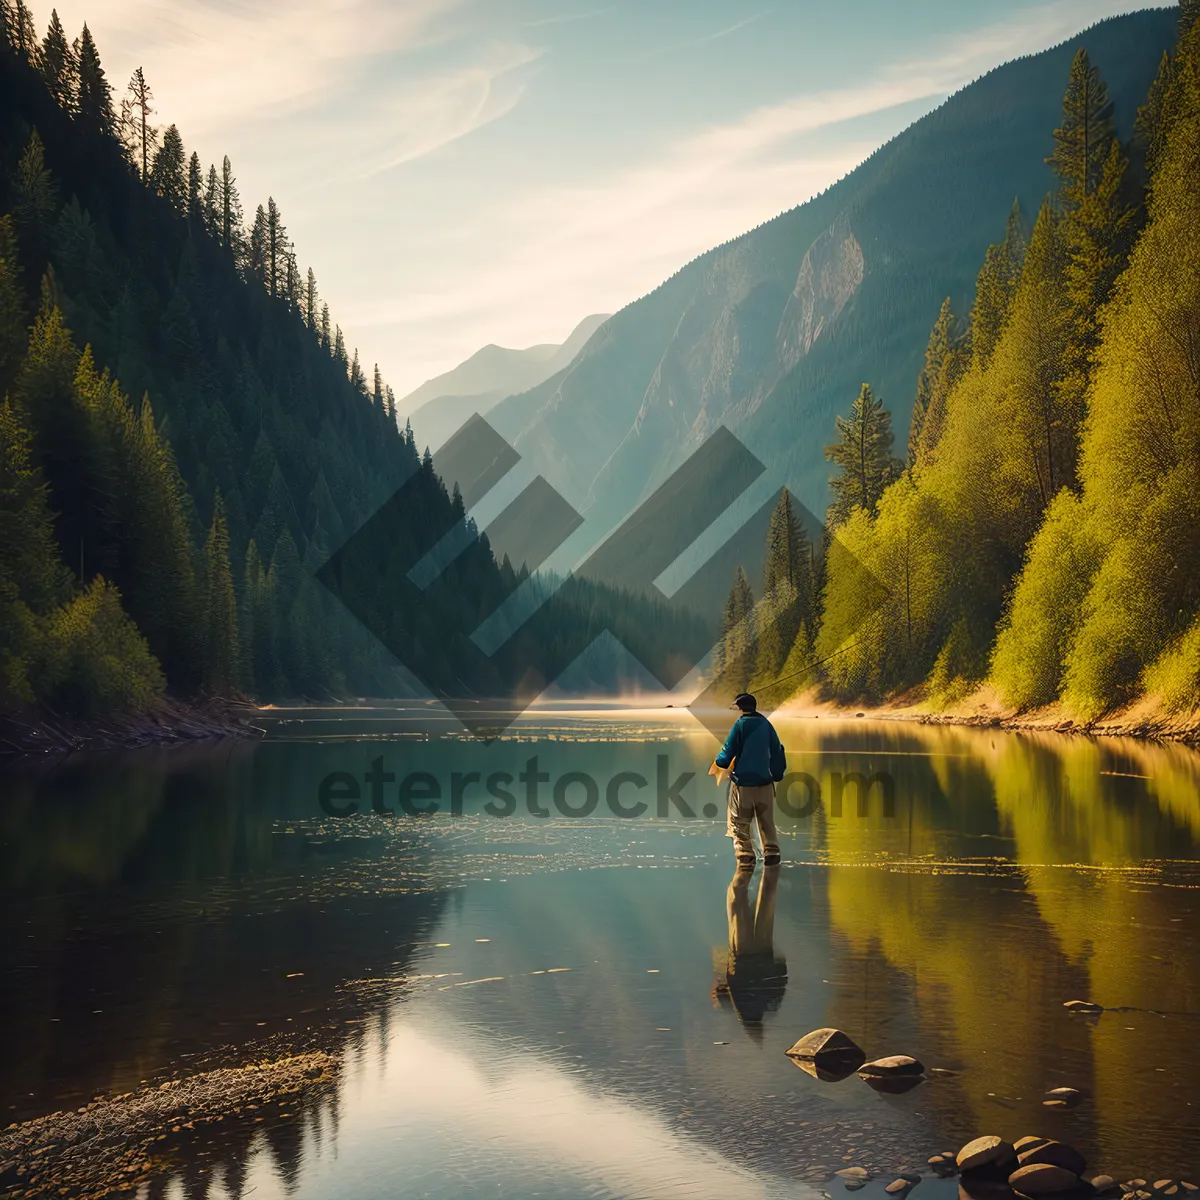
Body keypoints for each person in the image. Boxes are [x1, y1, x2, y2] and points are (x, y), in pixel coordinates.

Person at [713, 692, 786, 867]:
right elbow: (778, 750)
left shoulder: (740, 725)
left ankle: (745, 854)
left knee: (739, 821)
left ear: (740, 707)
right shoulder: (766, 725)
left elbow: (728, 751)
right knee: (766, 820)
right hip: (765, 783)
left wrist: (719, 761)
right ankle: (772, 852)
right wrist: (777, 774)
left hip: (743, 784)